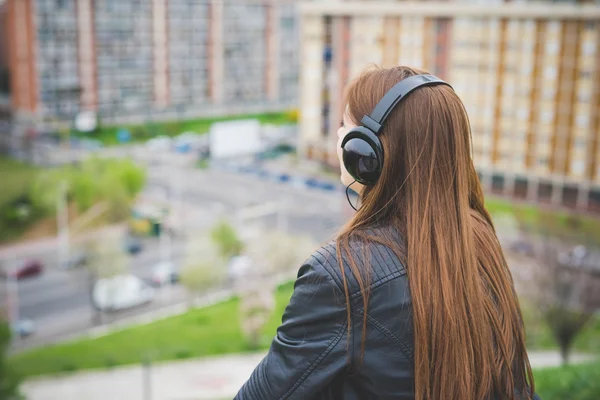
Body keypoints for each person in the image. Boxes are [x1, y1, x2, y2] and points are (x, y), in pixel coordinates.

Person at [235, 65, 538, 400]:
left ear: (366, 154)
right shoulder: (478, 237)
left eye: (345, 128)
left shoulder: (341, 275)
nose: (338, 137)